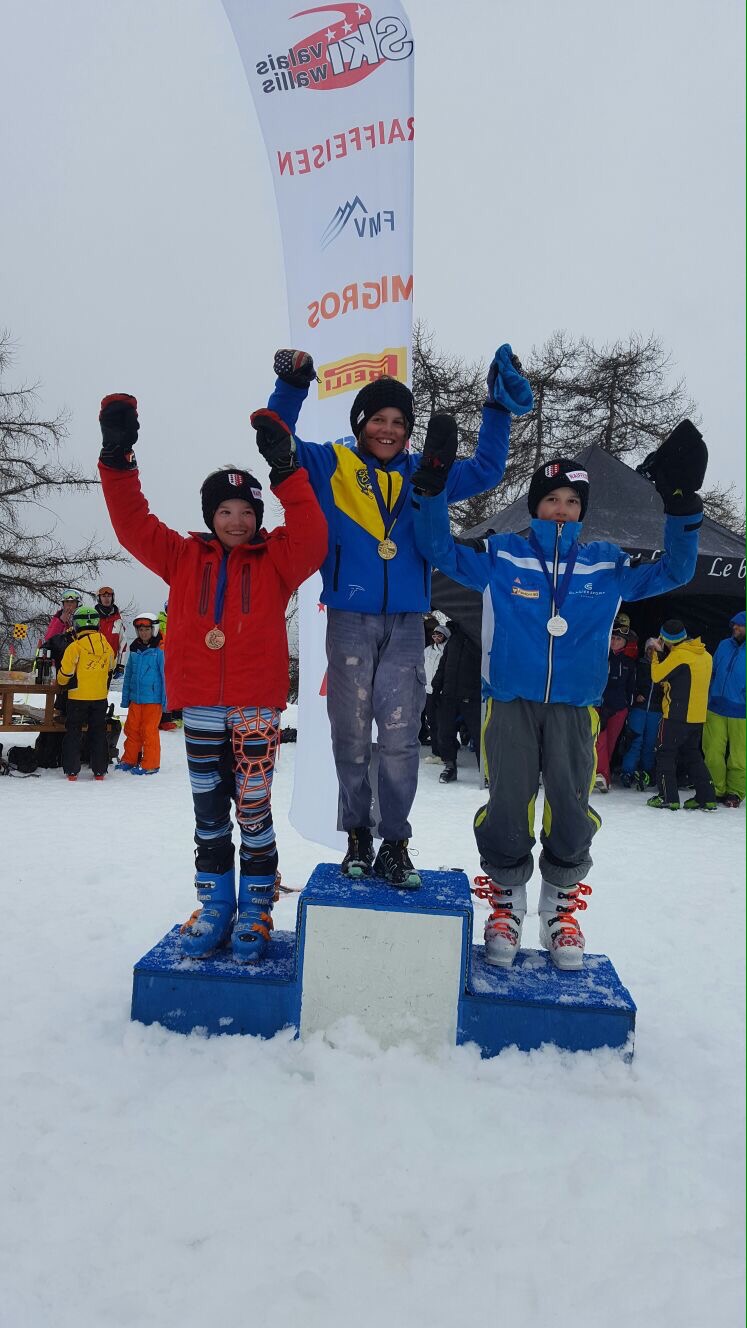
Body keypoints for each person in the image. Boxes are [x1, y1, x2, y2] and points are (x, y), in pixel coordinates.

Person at [412, 423, 705, 969]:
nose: (562, 510)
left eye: (572, 501)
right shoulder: (503, 555)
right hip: (511, 702)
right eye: (552, 500)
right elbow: (437, 548)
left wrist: (682, 506)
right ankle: (507, 904)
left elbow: (677, 569)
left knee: (571, 806)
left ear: (582, 510)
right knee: (509, 803)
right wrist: (429, 490)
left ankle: (559, 908)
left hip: (575, 706)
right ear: (535, 506)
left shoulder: (605, 564)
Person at [251, 344, 533, 885]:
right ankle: (358, 833)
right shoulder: (332, 463)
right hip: (349, 619)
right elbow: (277, 440)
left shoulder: (427, 471)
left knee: (402, 738)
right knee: (351, 735)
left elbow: (489, 468)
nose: (388, 430)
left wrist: (496, 409)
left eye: (399, 422)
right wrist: (293, 384)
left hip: (406, 622)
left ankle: (396, 840)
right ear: (360, 424)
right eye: (378, 419)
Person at [97, 392, 327, 963]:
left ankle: (256, 906)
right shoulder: (181, 556)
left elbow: (313, 536)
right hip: (200, 703)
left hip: (255, 706)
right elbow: (132, 524)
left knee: (252, 808)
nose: (237, 521)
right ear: (209, 516)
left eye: (247, 512)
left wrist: (286, 471)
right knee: (208, 812)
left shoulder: (277, 559)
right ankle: (216, 902)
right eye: (225, 511)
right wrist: (117, 459)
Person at [647, 620, 716, 811]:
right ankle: (707, 797)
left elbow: (657, 676)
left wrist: (655, 654)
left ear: (666, 639)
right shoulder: (706, 655)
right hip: (697, 717)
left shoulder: (679, 656)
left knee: (665, 754)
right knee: (693, 756)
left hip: (676, 716)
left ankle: (668, 797)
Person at [56, 605, 114, 781]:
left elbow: (65, 674)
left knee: (73, 732)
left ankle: (72, 771)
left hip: (77, 698)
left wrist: (61, 681)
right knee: (98, 733)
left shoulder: (75, 647)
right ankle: (99, 771)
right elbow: (111, 667)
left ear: (77, 625)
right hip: (99, 697)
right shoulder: (107, 646)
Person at [703, 611, 745, 807]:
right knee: (712, 751)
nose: (735, 628)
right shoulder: (723, 645)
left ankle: (735, 792)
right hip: (715, 708)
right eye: (734, 625)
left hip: (742, 712)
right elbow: (712, 671)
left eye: (740, 625)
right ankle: (715, 788)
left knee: (739, 756)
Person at [117, 612, 167, 775]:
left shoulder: (160, 649)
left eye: (147, 629)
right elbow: (129, 675)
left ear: (154, 629)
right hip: (136, 699)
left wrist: (166, 701)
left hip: (153, 699)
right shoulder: (135, 649)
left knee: (149, 731)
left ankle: (150, 764)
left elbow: (166, 676)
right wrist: (126, 698)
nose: (143, 633)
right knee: (131, 729)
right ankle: (130, 759)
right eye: (140, 630)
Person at [435, 619, 482, 784]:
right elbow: (443, 664)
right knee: (444, 733)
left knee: (479, 734)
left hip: (472, 696)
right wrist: (436, 686)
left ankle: (486, 770)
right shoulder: (453, 640)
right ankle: (450, 766)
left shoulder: (479, 637)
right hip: (449, 695)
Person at [594, 625, 636, 792]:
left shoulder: (629, 663)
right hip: (600, 706)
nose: (614, 641)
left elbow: (631, 687)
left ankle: (604, 777)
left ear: (625, 642)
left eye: (619, 639)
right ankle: (600, 774)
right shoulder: (602, 657)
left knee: (610, 743)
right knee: (600, 741)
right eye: (612, 638)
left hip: (619, 709)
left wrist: (628, 707)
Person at [619, 638, 663, 790]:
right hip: (639, 708)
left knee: (650, 743)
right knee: (634, 740)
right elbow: (630, 683)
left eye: (655, 649)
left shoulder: (665, 667)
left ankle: (647, 771)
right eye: (649, 648)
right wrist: (636, 694)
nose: (652, 652)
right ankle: (627, 771)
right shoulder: (639, 665)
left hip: (656, 710)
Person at [423, 623, 449, 763]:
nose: (436, 638)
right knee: (432, 722)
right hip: (429, 691)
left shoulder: (448, 649)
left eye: (439, 635)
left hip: (443, 692)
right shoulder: (428, 650)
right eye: (434, 635)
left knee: (443, 723)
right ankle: (436, 752)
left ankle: (446, 752)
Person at [94, 586, 126, 674]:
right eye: (103, 596)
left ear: (112, 598)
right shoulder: (93, 617)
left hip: (110, 665)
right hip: (93, 664)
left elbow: (122, 643)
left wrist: (120, 665)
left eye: (109, 596)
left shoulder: (118, 619)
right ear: (99, 598)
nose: (106, 599)